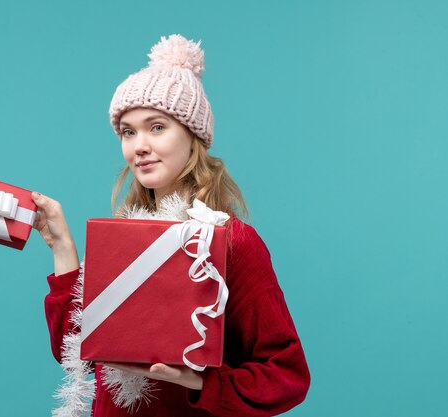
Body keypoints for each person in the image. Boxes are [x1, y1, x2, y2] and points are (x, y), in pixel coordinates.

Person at [32, 34, 310, 417]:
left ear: (192, 136)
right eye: (128, 132)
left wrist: (198, 381)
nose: (138, 146)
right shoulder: (120, 241)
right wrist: (62, 247)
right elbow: (78, 351)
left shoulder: (232, 242)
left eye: (156, 127)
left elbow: (285, 375)